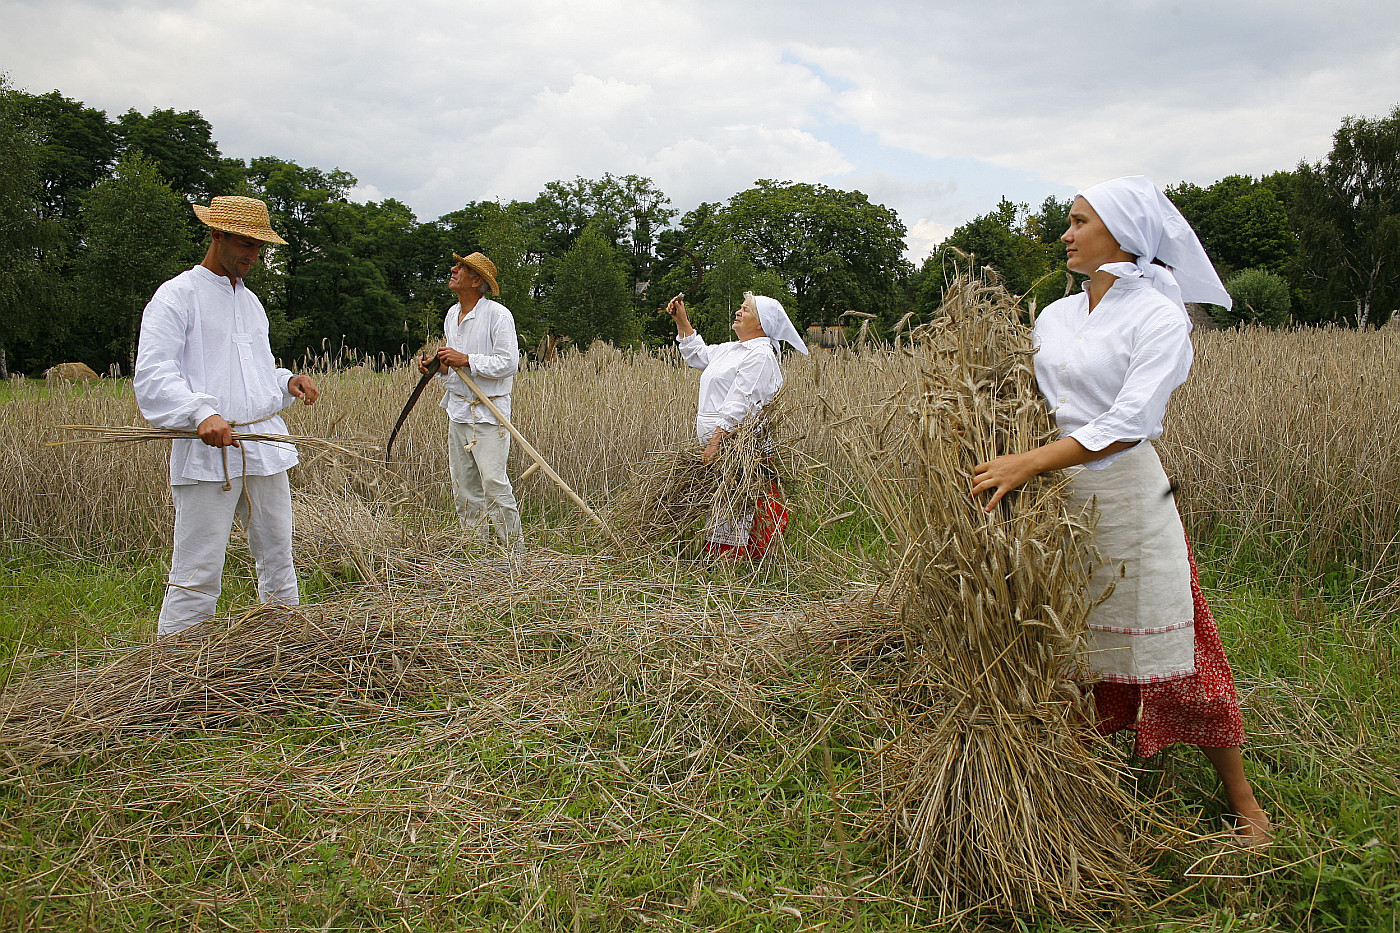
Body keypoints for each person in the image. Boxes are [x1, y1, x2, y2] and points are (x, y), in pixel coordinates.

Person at [969, 175, 1272, 847]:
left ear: (1123, 235)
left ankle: (1244, 800)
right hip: (1056, 503)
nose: (1067, 233)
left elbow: (1133, 420)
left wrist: (1028, 462)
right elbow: (1027, 399)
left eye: (1080, 221)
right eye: (1069, 221)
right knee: (1068, 642)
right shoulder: (1054, 315)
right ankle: (1076, 786)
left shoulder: (1159, 316)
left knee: (1179, 641)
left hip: (1129, 495)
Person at [134, 195, 319, 639]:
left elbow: (252, 374)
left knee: (278, 557)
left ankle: (286, 648)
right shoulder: (177, 295)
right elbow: (153, 375)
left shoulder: (252, 303)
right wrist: (201, 412)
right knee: (198, 567)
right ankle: (177, 670)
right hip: (207, 448)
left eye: (259, 247)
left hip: (265, 445)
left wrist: (286, 382)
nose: (253, 256)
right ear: (216, 235)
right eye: (245, 244)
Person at [665, 292, 808, 557]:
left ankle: (733, 565)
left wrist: (715, 442)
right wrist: (681, 319)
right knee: (723, 506)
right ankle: (723, 564)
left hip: (737, 446)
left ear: (762, 323)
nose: (738, 312)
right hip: (722, 446)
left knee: (736, 507)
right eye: (740, 307)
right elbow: (697, 354)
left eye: (746, 310)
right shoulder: (733, 349)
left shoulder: (760, 356)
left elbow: (740, 405)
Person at [418, 251, 522, 547]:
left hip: (490, 414)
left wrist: (466, 359)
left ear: (476, 281)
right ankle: (474, 547)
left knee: (493, 483)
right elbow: (457, 371)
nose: (454, 269)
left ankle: (514, 552)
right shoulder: (452, 315)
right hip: (458, 410)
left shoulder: (497, 315)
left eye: (461, 267)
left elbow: (508, 363)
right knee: (464, 485)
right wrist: (436, 367)